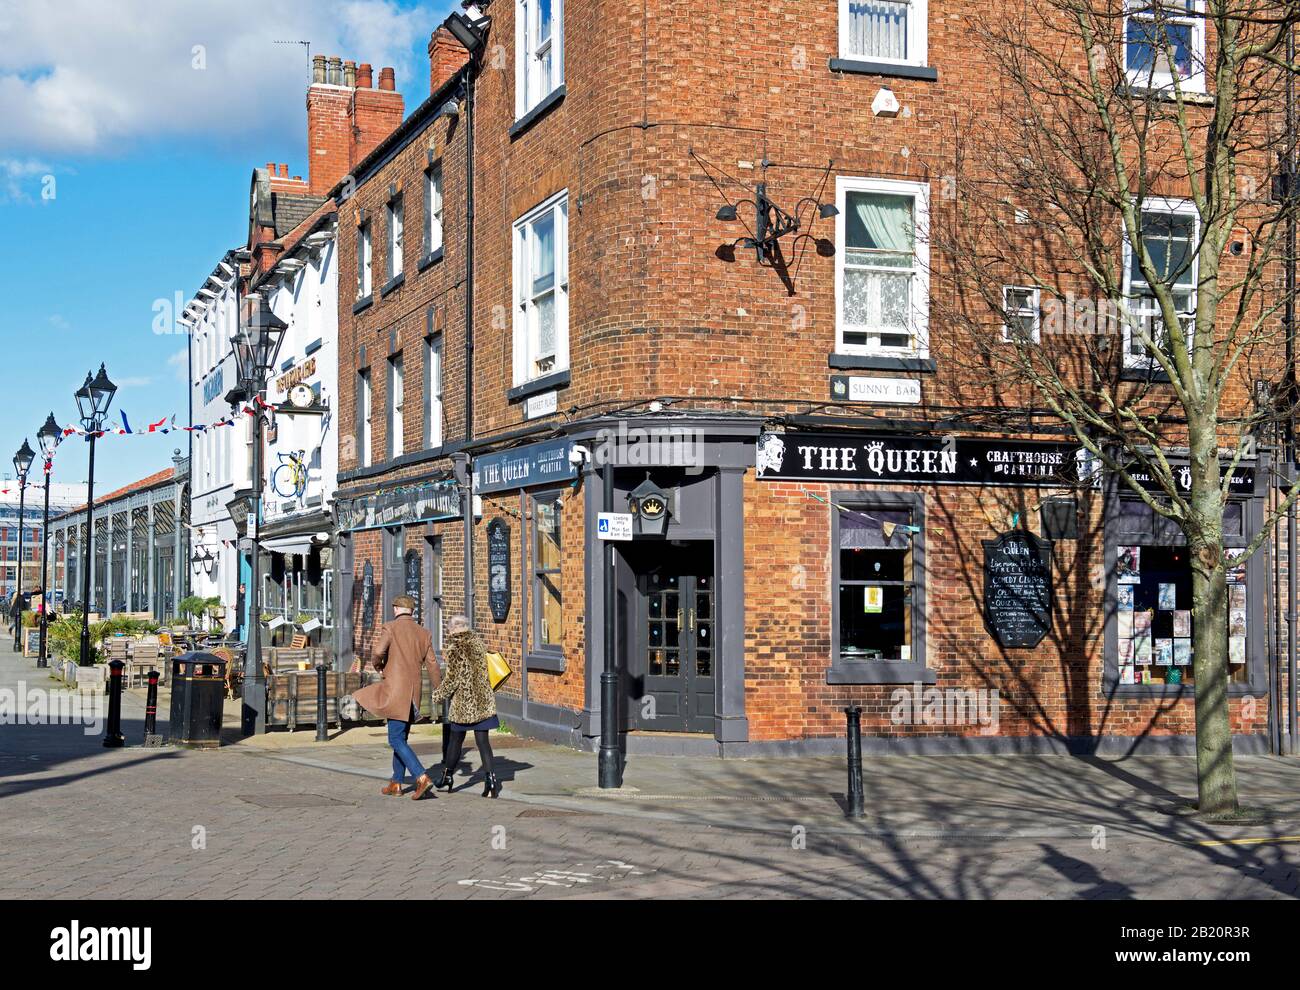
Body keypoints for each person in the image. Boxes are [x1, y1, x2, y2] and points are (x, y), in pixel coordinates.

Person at [353, 595, 442, 800]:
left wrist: (379, 666)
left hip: (395, 692)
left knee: (394, 738)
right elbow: (433, 665)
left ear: (396, 609)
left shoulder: (390, 628)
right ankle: (396, 782)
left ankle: (421, 776)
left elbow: (377, 651)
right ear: (412, 611)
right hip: (414, 693)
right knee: (401, 738)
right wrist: (439, 689)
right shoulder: (424, 633)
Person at [429, 615, 501, 798]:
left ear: (452, 629)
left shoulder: (455, 648)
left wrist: (437, 695)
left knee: (455, 741)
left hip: (465, 703)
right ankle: (491, 782)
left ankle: (447, 776)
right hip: (483, 701)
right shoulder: (478, 643)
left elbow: (453, 679)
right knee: (483, 742)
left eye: (449, 629)